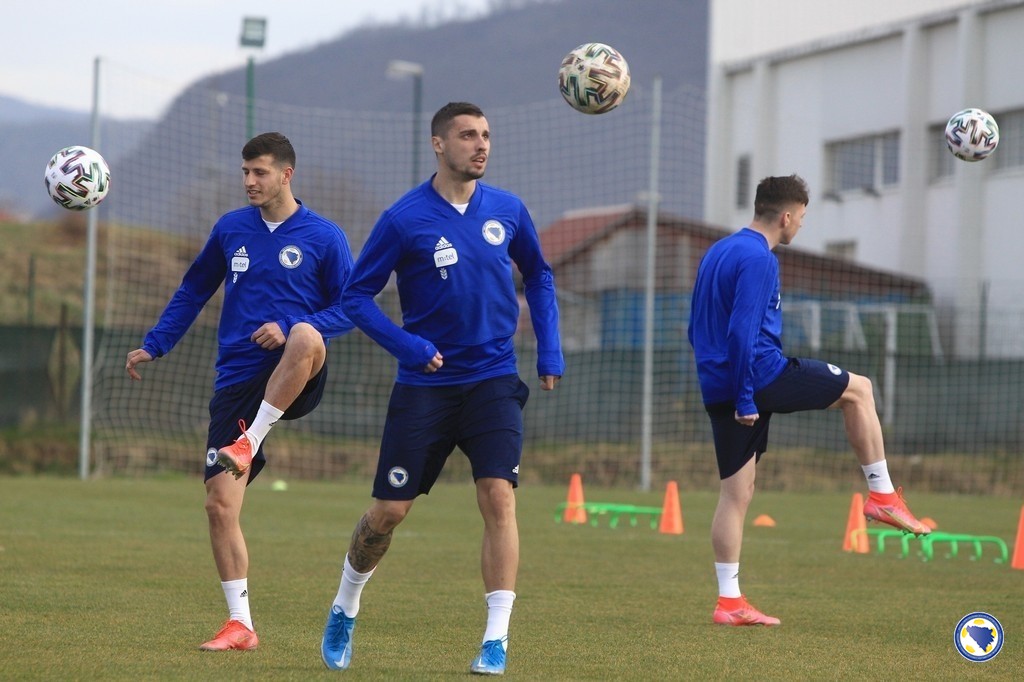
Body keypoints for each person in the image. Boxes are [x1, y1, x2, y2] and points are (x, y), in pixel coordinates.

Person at [320, 102, 563, 675]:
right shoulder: (403, 218)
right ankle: (345, 605)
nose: (481, 145)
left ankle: (496, 640)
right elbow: (355, 298)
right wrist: (407, 346)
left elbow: (539, 274)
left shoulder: (508, 209)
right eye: (467, 135)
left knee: (498, 497)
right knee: (389, 511)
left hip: (494, 379)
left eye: (486, 135)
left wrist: (549, 347)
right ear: (438, 144)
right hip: (425, 387)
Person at [125, 132, 354, 651]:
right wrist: (155, 344)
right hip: (237, 380)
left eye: (260, 172)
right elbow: (193, 289)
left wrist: (288, 323)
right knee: (219, 505)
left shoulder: (324, 237)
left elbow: (351, 307)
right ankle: (240, 625)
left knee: (304, 333)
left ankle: (252, 439)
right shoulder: (230, 229)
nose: (250, 181)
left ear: (286, 174)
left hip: (298, 371)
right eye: (245, 172)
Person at [687, 174, 930, 627]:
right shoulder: (759, 258)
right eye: (801, 217)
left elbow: (695, 326)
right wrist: (745, 395)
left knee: (736, 494)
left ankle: (729, 602)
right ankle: (882, 495)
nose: (800, 225)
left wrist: (722, 383)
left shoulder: (717, 251)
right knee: (860, 390)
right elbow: (741, 331)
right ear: (785, 216)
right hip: (758, 376)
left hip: (718, 382)